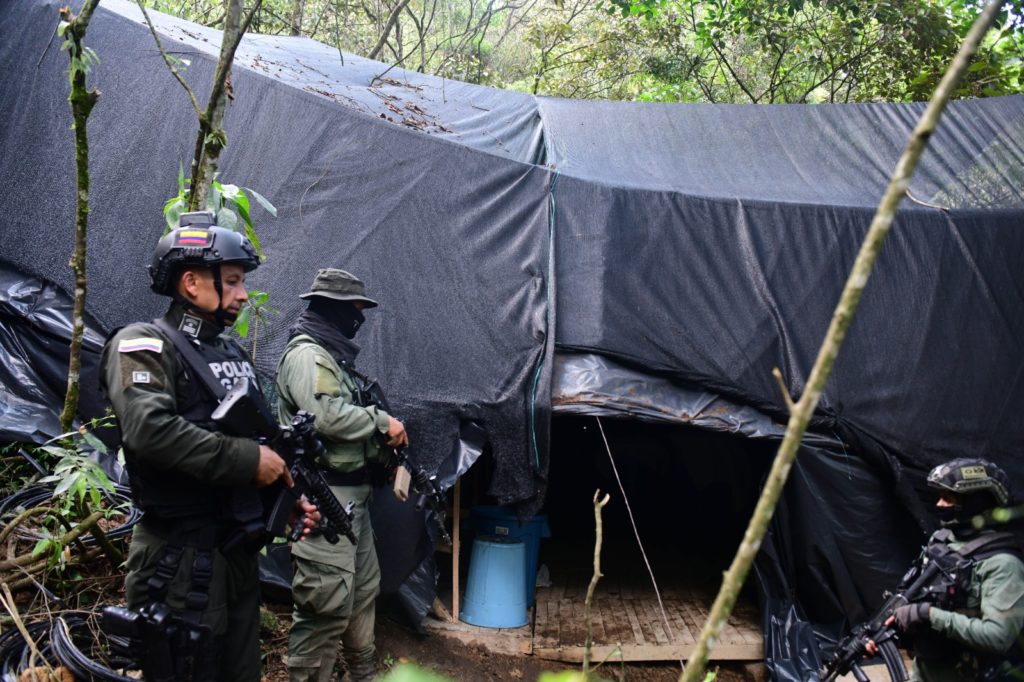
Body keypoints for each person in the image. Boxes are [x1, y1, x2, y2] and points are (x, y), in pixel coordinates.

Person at [100, 212, 315, 681]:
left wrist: (282, 499)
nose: (243, 294)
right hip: (177, 561)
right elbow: (149, 431)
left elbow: (255, 442)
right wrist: (249, 461)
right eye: (234, 281)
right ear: (192, 282)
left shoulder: (230, 354)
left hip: (234, 556)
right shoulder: (143, 344)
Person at [275, 268, 408, 682]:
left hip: (355, 499)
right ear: (333, 310)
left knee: (363, 590)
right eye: (354, 310)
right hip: (321, 499)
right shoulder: (308, 356)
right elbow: (326, 416)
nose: (359, 319)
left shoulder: (334, 358)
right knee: (325, 603)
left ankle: (363, 673)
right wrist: (381, 422)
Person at [865, 458, 1024, 681]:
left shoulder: (1002, 564)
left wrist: (928, 615)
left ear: (974, 502)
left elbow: (998, 636)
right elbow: (917, 596)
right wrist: (886, 632)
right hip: (927, 672)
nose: (939, 505)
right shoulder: (941, 543)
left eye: (948, 498)